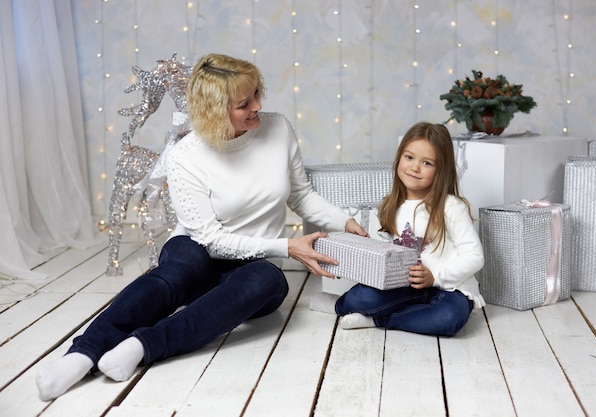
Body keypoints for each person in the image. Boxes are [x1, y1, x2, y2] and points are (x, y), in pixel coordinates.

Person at [36, 53, 366, 401]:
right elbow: (212, 240)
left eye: (256, 94)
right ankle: (82, 353)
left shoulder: (278, 128)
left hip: (255, 264)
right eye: (244, 103)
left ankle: (142, 346)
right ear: (214, 109)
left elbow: (301, 195)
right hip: (199, 250)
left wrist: (347, 222)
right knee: (178, 271)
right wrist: (288, 246)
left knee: (269, 281)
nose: (257, 105)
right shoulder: (186, 156)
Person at [310, 122, 485, 336]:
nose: (414, 167)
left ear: (441, 170)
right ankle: (340, 305)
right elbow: (383, 253)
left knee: (447, 318)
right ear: (399, 158)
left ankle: (378, 320)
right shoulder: (390, 204)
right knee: (362, 297)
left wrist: (435, 277)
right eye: (409, 157)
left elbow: (475, 256)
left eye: (427, 163)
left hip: (449, 289)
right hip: (404, 286)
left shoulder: (451, 207)